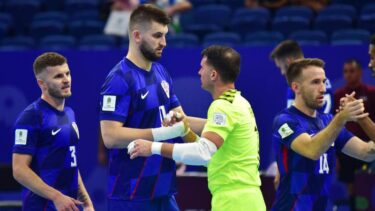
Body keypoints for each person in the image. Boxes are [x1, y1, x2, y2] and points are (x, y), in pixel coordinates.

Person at [128, 45, 267, 211]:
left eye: (202, 67)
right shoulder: (239, 102)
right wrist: (184, 126)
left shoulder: (222, 106)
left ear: (213, 74)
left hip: (234, 203)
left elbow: (203, 153)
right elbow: (212, 155)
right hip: (246, 200)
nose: (199, 72)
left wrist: (152, 147)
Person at [99, 4, 205, 210]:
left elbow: (181, 121)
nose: (164, 42)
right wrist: (161, 134)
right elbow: (110, 137)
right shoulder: (118, 79)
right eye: (157, 36)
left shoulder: (161, 71)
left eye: (165, 35)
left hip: (164, 190)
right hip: (131, 194)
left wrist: (224, 123)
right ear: (137, 35)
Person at [271, 58, 375, 210]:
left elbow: (367, 153)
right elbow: (312, 150)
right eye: (315, 82)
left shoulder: (328, 121)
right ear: (296, 87)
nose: (323, 89)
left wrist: (362, 118)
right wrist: (341, 118)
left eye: (324, 82)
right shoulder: (284, 121)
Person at [12, 52, 94, 211]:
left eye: (68, 73)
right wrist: (56, 196)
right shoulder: (31, 116)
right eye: (58, 76)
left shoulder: (70, 113)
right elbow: (19, 170)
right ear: (42, 84)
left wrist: (87, 203)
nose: (66, 80)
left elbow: (71, 163)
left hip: (68, 206)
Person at [270, 40, 334, 189]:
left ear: (289, 61)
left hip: (306, 145)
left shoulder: (298, 86)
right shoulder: (322, 80)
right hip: (325, 143)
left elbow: (293, 126)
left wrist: (281, 168)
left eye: (281, 67)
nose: (281, 72)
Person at [334, 59, 375, 209]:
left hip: (370, 147)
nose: (348, 75)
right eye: (345, 71)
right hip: (347, 150)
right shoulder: (338, 95)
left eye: (352, 71)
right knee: (352, 187)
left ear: (360, 72)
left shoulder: (371, 92)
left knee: (367, 186)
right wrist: (336, 155)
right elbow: (334, 126)